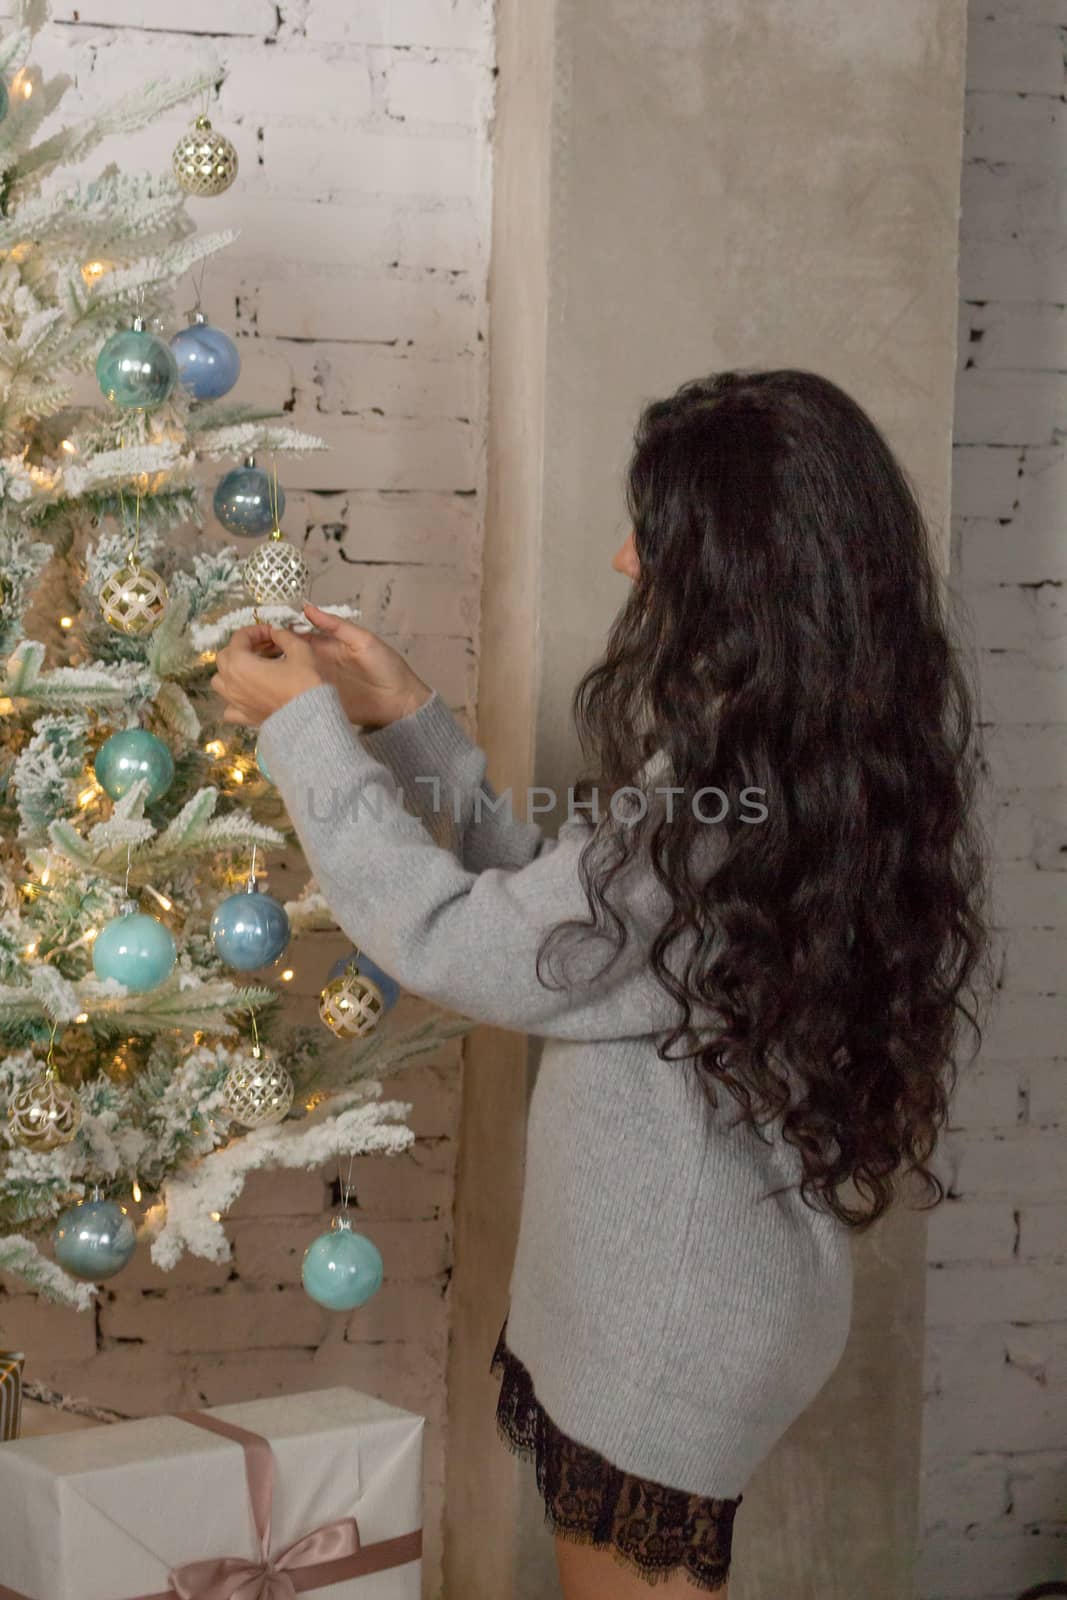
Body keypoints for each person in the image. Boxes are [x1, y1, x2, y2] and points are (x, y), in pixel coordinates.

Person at [212, 369, 990, 1598]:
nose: (626, 560)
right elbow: (575, 943)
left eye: (656, 534)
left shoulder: (714, 800)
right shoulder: (784, 759)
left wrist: (303, 730)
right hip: (695, 1284)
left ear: (735, 569)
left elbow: (468, 944)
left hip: (668, 1310)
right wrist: (407, 716)